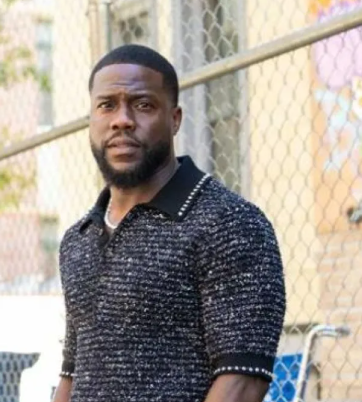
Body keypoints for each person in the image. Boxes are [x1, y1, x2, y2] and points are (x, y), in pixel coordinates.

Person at [52, 44, 286, 402]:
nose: (122, 120)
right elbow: (72, 374)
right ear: (91, 119)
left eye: (143, 105)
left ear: (174, 119)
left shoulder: (231, 223)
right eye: (107, 105)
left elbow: (242, 380)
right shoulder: (77, 239)